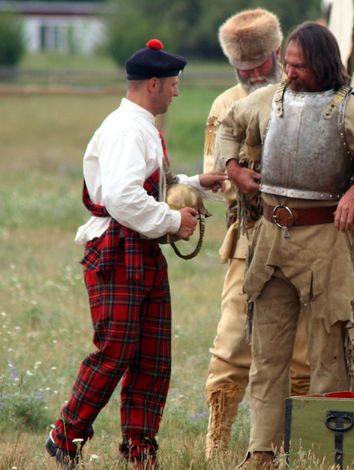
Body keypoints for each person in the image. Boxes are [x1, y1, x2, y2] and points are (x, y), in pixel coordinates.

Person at [217, 22, 354, 469]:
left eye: (299, 65)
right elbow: (229, 124)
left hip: (326, 244)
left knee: (330, 359)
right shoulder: (268, 100)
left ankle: (329, 455)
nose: (289, 72)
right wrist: (232, 167)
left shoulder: (351, 113)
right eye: (286, 63)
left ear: (323, 65)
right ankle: (261, 454)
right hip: (270, 244)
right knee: (267, 358)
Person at [44, 39, 227, 469]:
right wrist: (172, 221)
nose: (176, 92)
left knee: (152, 356)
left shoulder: (140, 125)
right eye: (172, 84)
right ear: (152, 84)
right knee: (116, 351)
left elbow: (150, 185)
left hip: (138, 249)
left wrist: (198, 182)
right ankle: (65, 434)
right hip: (117, 248)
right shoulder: (126, 128)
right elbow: (124, 198)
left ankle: (141, 450)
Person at [202, 8, 310, 459]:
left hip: (306, 241)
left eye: (261, 66)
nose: (252, 76)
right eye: (243, 70)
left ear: (277, 57)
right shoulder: (225, 106)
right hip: (248, 240)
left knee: (304, 354)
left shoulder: (309, 97)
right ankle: (216, 446)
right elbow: (214, 173)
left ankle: (301, 448)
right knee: (232, 345)